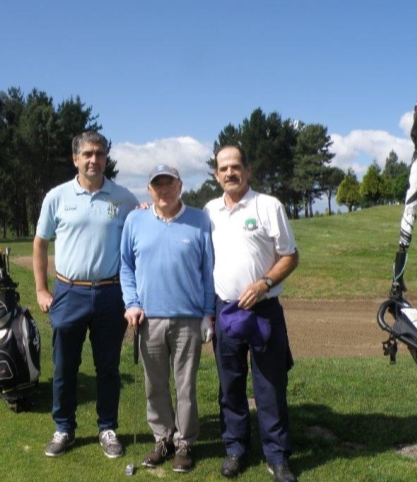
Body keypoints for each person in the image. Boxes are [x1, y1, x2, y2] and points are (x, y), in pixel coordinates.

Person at [33, 131, 139, 459]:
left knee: (108, 367)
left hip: (111, 294)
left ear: (107, 158)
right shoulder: (57, 196)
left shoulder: (124, 198)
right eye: (88, 154)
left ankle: (107, 428)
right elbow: (40, 242)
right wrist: (40, 289)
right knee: (65, 366)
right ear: (75, 158)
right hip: (69, 292)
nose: (95, 160)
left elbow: (142, 233)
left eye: (100, 154)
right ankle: (63, 428)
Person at [204, 145, 300, 482]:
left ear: (248, 169)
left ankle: (277, 456)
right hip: (225, 310)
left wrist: (264, 283)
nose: (229, 173)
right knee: (230, 384)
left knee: (270, 385)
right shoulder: (209, 210)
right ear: (216, 175)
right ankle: (236, 449)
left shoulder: (267, 205)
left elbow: (290, 255)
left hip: (263, 310)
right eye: (223, 168)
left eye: (235, 166)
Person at [120, 165, 215, 473]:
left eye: (169, 183)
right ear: (150, 190)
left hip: (188, 319)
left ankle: (185, 443)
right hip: (148, 320)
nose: (164, 190)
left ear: (180, 186)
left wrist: (207, 314)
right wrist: (131, 303)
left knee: (185, 386)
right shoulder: (135, 220)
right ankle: (163, 439)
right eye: (157, 185)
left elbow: (208, 272)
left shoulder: (200, 220)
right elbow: (126, 268)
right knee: (155, 385)